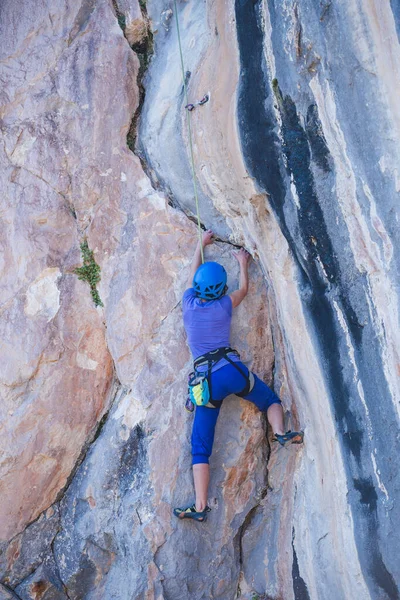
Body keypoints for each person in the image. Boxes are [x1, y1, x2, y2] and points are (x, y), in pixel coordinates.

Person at [174, 230, 303, 522]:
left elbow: (194, 276)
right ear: (221, 290)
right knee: (269, 399)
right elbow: (242, 291)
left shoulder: (189, 305)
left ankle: (200, 505)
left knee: (200, 447)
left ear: (197, 289)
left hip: (205, 384)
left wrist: (200, 244)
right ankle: (281, 432)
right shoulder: (223, 306)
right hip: (232, 372)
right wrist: (243, 262)